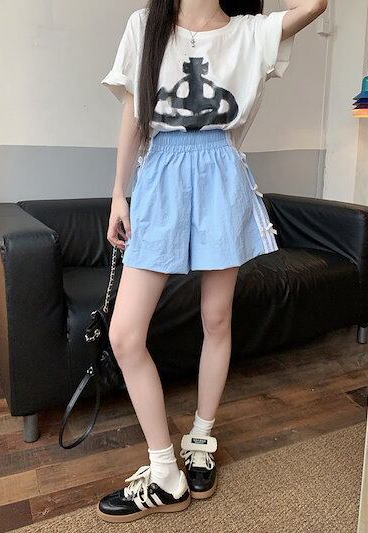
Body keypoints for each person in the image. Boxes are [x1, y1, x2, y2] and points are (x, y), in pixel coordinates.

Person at [97, 0, 327, 524]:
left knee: (217, 319)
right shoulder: (146, 25)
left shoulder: (251, 34)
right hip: (160, 175)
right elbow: (133, 111)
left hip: (221, 174)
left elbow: (316, 4)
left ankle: (200, 439)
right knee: (125, 334)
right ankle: (164, 469)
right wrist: (118, 193)